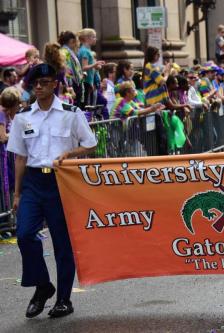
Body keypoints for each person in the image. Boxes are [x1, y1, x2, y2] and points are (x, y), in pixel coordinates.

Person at [6, 63, 97, 318]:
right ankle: (43, 286)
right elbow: (20, 158)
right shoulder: (24, 117)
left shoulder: (71, 113)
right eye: (35, 83)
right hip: (34, 183)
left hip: (61, 181)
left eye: (44, 82)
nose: (38, 87)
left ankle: (64, 299)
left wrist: (70, 153)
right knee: (24, 235)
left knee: (62, 243)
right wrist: (16, 193)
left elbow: (90, 143)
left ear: (54, 84)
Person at [78, 28, 105, 106]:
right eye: (93, 37)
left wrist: (96, 66)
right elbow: (84, 67)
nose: (95, 39)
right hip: (86, 81)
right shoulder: (85, 51)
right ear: (87, 38)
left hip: (88, 81)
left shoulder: (86, 50)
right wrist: (95, 64)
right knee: (87, 105)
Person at [58, 31, 84, 108]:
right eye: (77, 41)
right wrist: (69, 85)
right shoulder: (65, 52)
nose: (77, 44)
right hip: (71, 85)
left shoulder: (67, 51)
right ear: (71, 41)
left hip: (73, 83)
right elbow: (67, 70)